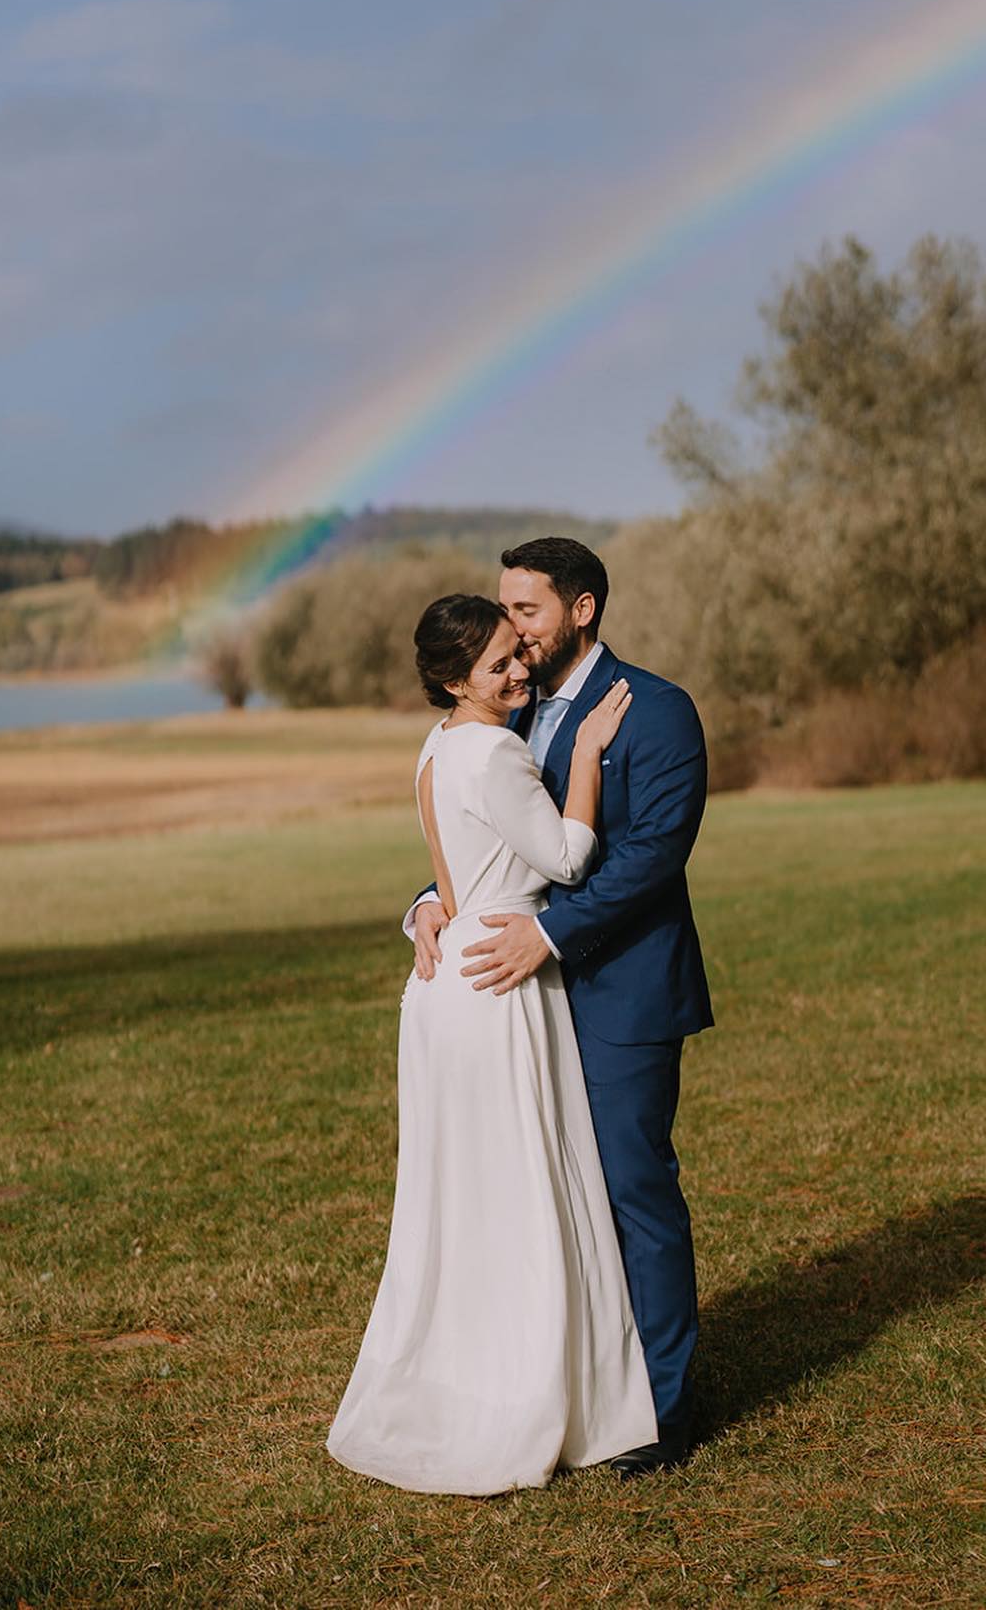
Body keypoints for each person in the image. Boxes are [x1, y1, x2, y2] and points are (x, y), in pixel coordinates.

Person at [326, 594, 659, 1496]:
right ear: (451, 679)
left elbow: (458, 867)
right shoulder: (499, 748)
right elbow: (567, 857)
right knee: (517, 1188)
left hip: (448, 986)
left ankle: (470, 1378)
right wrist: (586, 755)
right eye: (498, 666)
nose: (519, 673)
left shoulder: (437, 745)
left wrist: (428, 905)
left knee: (463, 1194)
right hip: (498, 987)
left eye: (519, 653)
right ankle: (526, 1394)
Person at [412, 537, 713, 1477]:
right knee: (550, 1199)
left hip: (618, 993)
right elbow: (486, 836)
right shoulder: (508, 707)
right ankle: (581, 1386)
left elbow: (651, 856)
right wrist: (429, 903)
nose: (516, 635)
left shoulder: (658, 712)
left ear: (582, 610)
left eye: (528, 614)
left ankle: (660, 1411)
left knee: (631, 1190)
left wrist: (546, 936)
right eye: (507, 619)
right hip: (519, 1004)